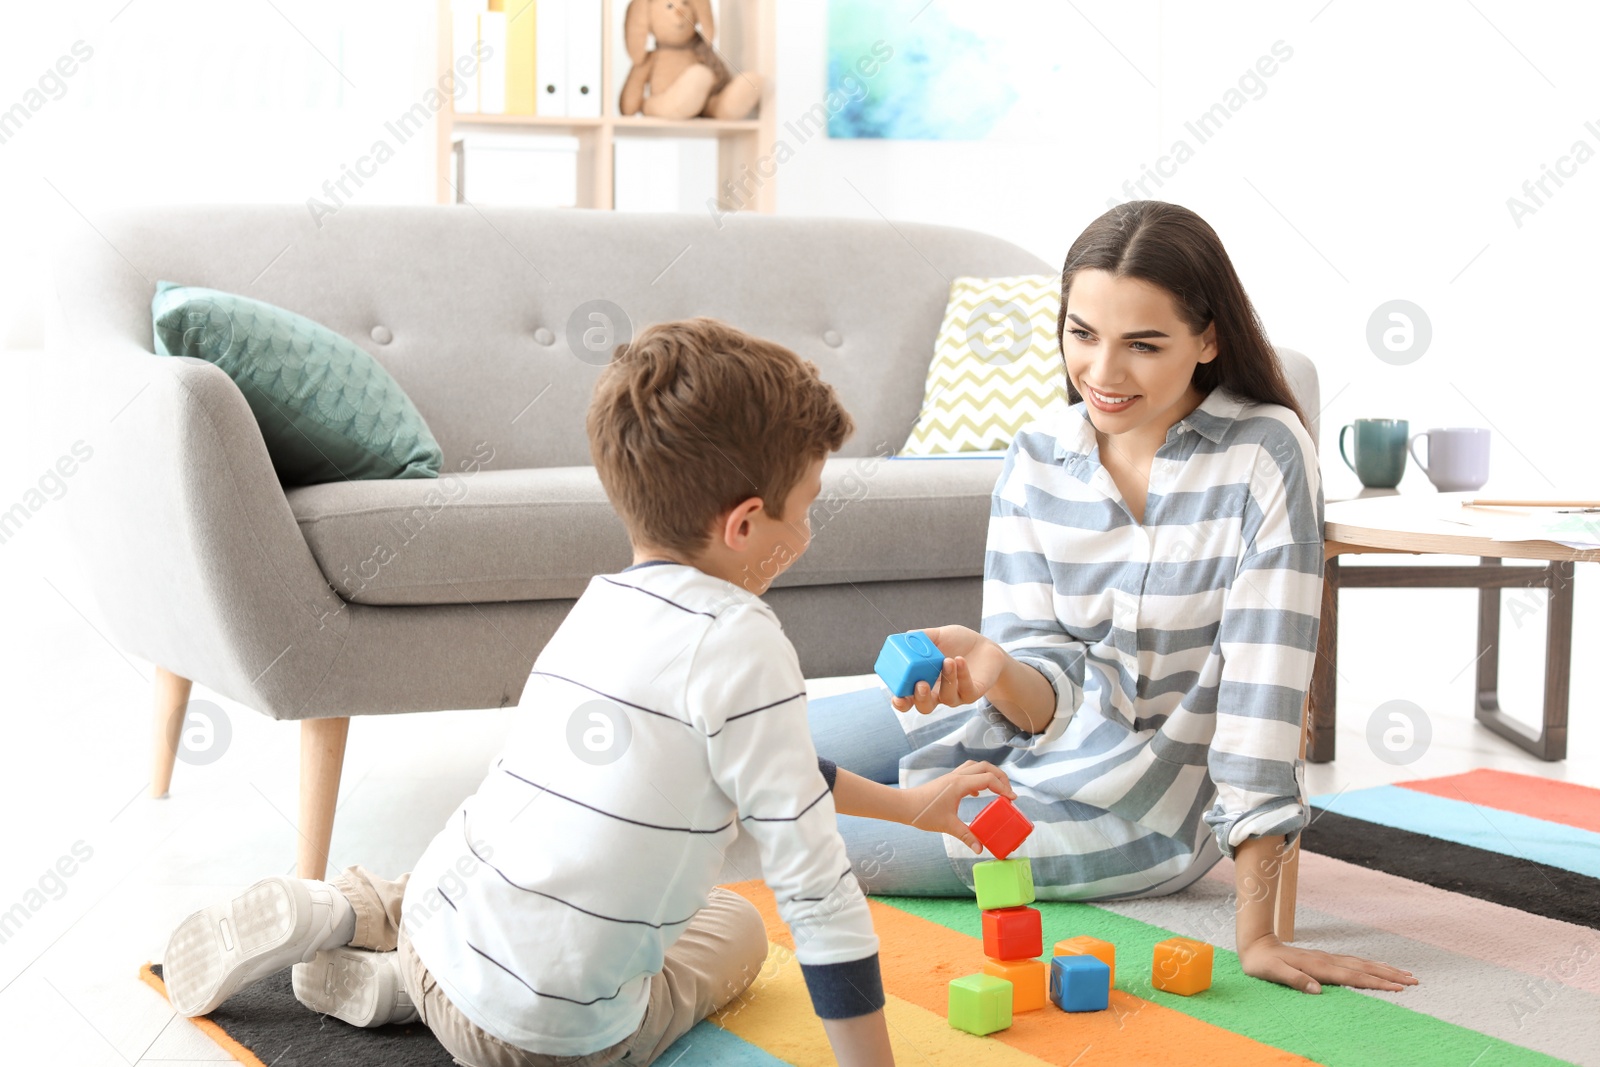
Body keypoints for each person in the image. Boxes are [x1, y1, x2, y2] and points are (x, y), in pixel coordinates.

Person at [161, 318, 1012, 1067]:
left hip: (438, 928)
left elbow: (773, 767)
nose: (810, 529)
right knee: (740, 929)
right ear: (746, 524)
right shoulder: (744, 641)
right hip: (540, 1041)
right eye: (805, 507)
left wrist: (912, 806)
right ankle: (390, 983)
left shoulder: (600, 604)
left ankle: (354, 921)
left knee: (511, 847)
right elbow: (817, 893)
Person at [809, 201, 1419, 997]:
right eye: (1082, 334)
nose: (1102, 372)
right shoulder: (1037, 456)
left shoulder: (1264, 453)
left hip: (1147, 807)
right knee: (757, 741)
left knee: (828, 835)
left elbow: (1261, 700)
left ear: (1208, 339)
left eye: (1144, 344)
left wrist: (1261, 934)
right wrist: (995, 667)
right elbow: (1044, 692)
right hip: (1014, 733)